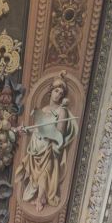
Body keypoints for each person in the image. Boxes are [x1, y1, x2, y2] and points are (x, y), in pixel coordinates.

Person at [16, 75, 77, 210]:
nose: (58, 95)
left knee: (45, 172)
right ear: (51, 91)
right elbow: (37, 130)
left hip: (49, 146)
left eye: (61, 93)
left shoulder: (61, 111)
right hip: (37, 146)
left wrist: (48, 131)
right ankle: (39, 195)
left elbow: (59, 132)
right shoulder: (43, 110)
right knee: (35, 177)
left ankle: (40, 198)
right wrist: (26, 131)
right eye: (56, 91)